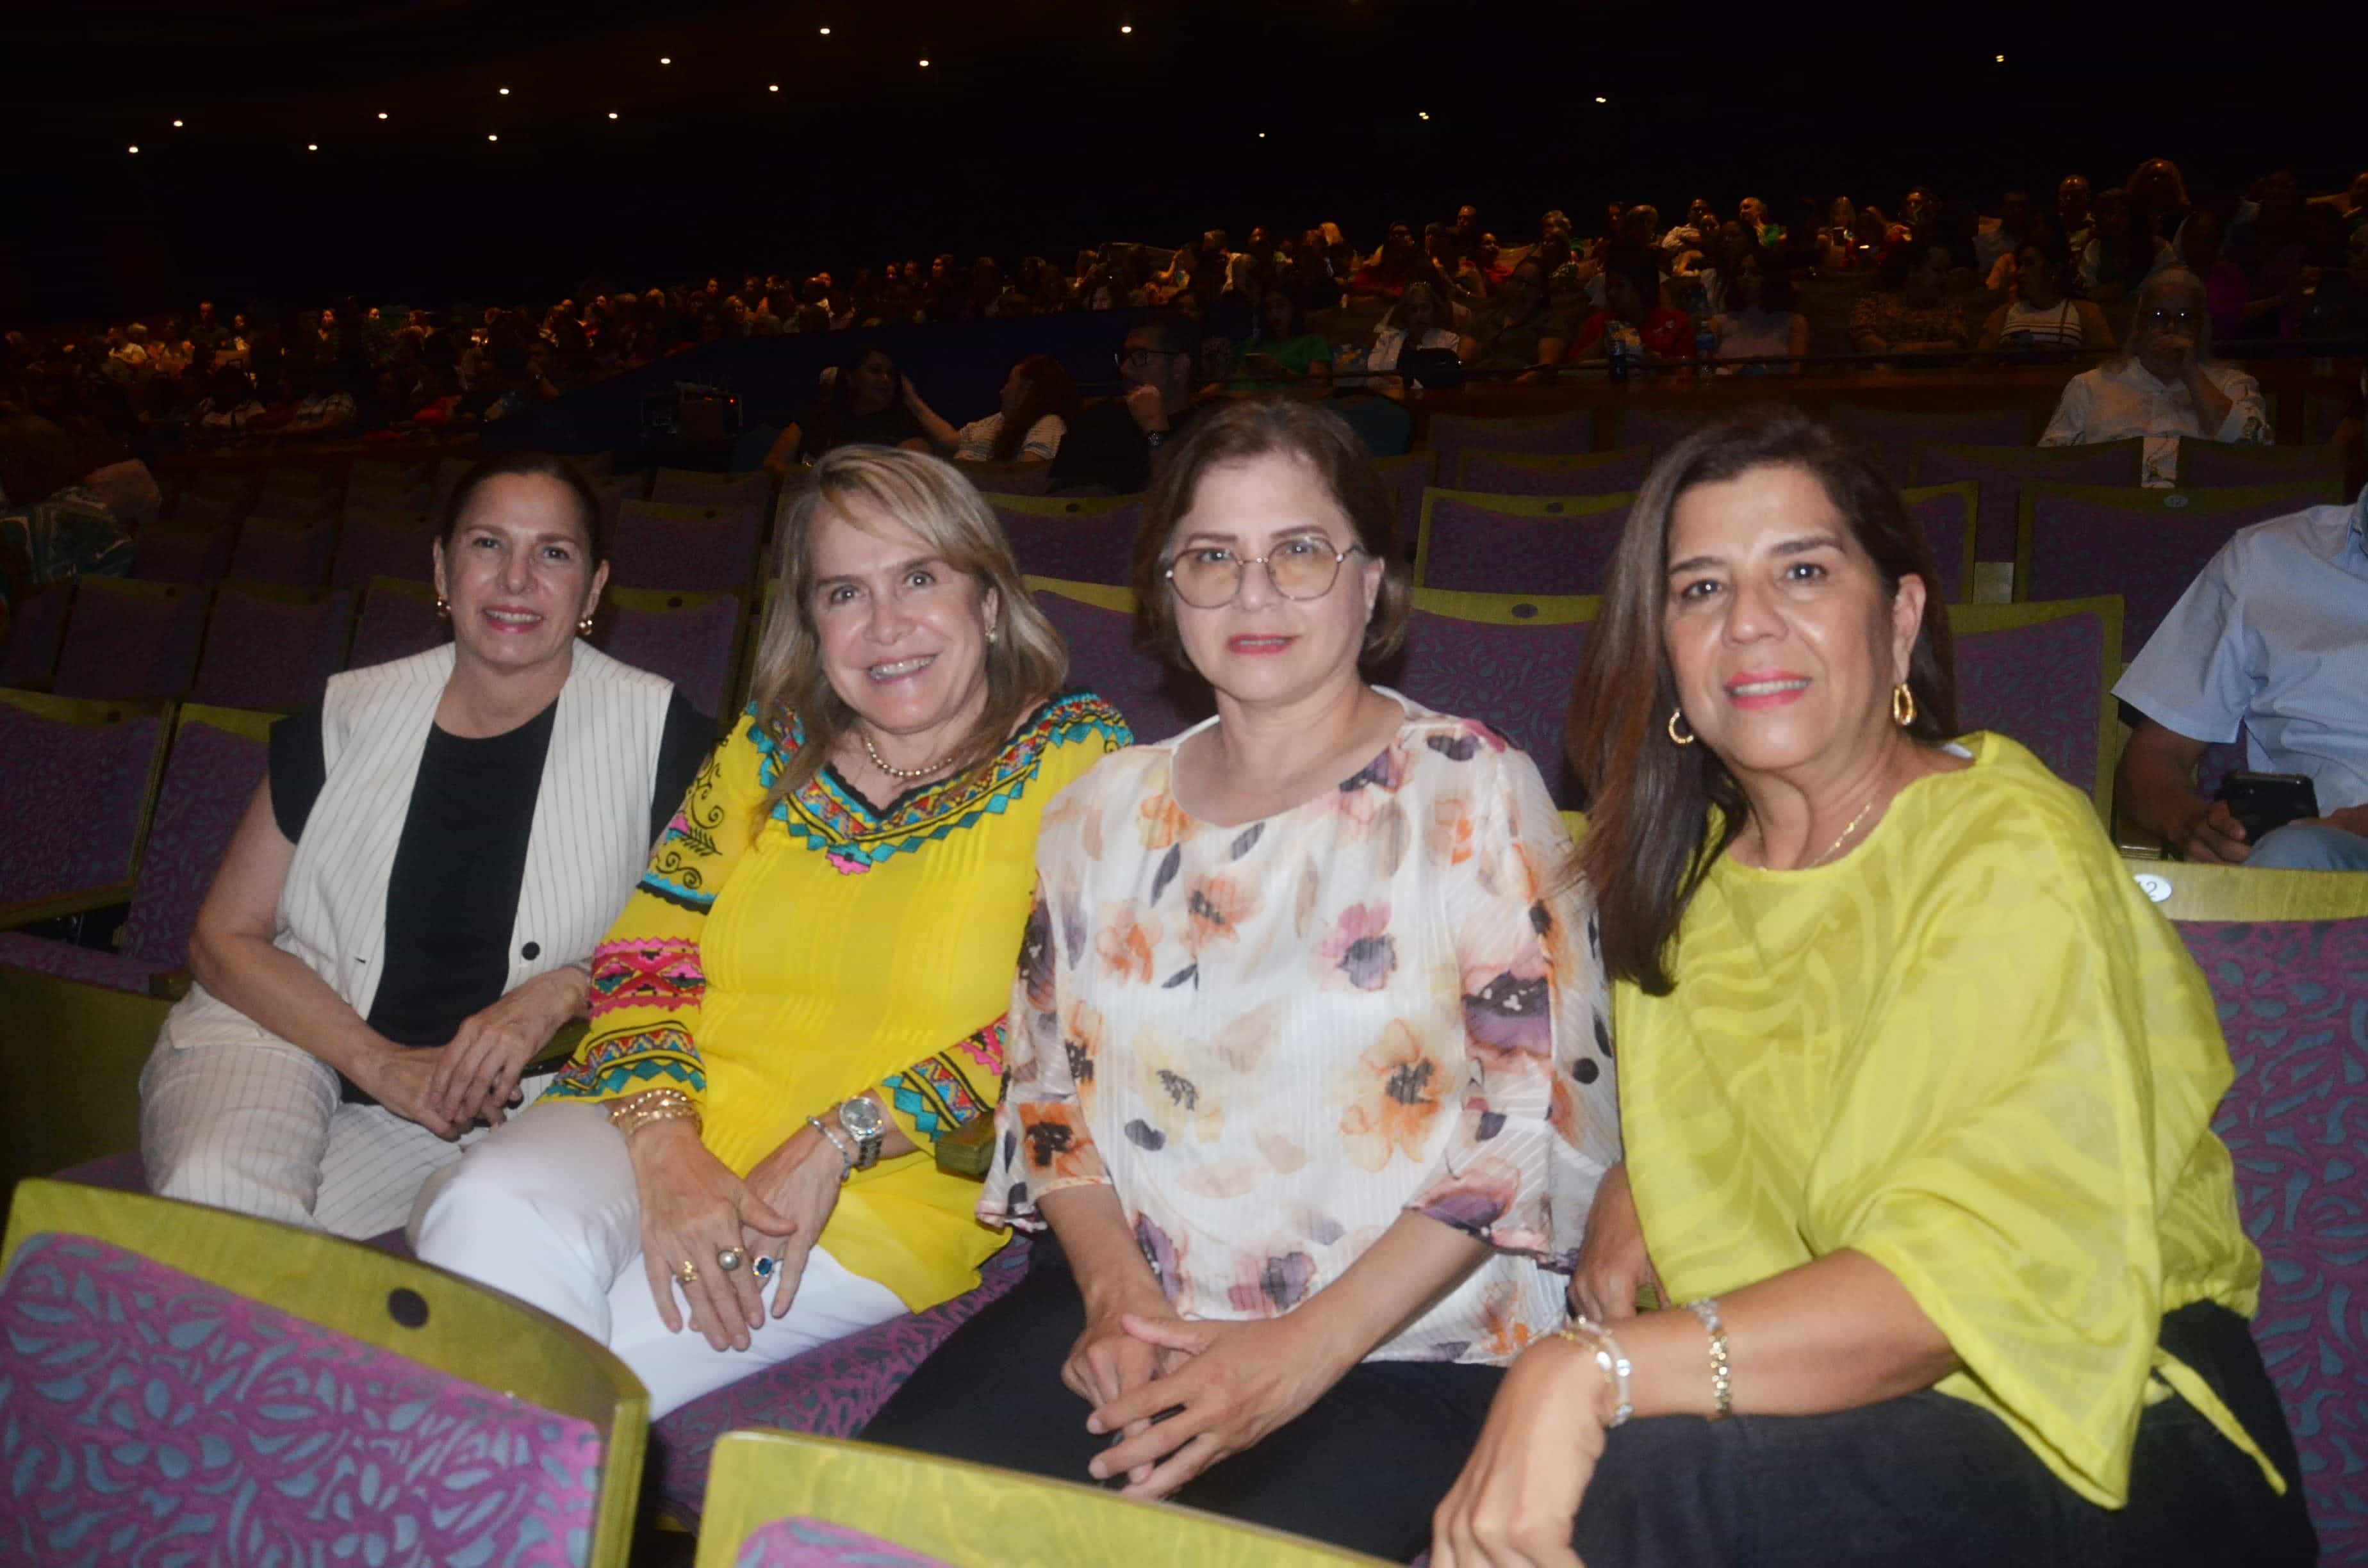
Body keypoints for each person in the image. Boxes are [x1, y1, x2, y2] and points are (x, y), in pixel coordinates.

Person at [1430, 407, 2312, 1568]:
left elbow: (1963, 1273)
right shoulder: (1683, 886)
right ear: (1667, 658)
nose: (1750, 620)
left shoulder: (2004, 841)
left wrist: (1588, 1368)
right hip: (1849, 1405)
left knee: (1638, 1494)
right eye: (1698, 589)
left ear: (1898, 622)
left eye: (1802, 569)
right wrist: (1649, 1172)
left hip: (2108, 1408)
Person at [860, 399, 1618, 1561]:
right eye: (1212, 557)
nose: (1253, 593)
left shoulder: (1471, 790)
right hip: (1134, 1322)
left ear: (1370, 584)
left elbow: (1531, 1128)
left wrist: (1301, 1351)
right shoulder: (1096, 810)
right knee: (861, 1528)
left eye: (1299, 552)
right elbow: (1047, 1094)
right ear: (1167, 593)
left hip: (1407, 1347)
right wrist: (1114, 1296)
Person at [414, 447, 1131, 1417]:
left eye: (920, 577)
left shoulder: (1083, 761)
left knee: (566, 1385)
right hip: (656, 1114)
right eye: (844, 593)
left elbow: (1076, 1024)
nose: (886, 626)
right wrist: (666, 1144)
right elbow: (644, 952)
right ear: (812, 620)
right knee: (484, 1215)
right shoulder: (769, 744)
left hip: (877, 1191)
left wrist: (843, 1135)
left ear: (990, 601)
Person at [138, 452, 712, 1239]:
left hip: (479, 1103)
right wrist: (376, 1063)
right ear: (442, 570)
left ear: (595, 587)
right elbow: (221, 938)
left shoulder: (666, 738)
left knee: (279, 1265)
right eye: (487, 545)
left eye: (553, 552)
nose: (516, 580)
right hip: (278, 1038)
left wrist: (567, 987)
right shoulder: (344, 715)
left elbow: (712, 946)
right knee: (222, 1196)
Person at [2112, 480, 2368, 871]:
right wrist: (2189, 824)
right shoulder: (2265, 559)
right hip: (2324, 860)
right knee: (2293, 853)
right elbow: (2157, 755)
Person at [2041, 267, 2269, 486]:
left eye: (2184, 318)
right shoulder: (2090, 386)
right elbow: (2049, 464)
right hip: (2112, 512)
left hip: (2204, 513)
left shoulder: (2233, 384)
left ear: (2201, 327)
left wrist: (2191, 374)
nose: (2171, 328)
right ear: (2140, 324)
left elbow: (2259, 451)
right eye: (2158, 316)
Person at [1049, 313, 1208, 495]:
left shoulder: (1205, 432)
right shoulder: (1098, 419)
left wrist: (1154, 428)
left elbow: (1174, 498)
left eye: (1141, 356)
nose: (1125, 368)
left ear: (1179, 367)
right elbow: (1058, 497)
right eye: (1126, 356)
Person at [761, 343, 932, 478]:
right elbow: (772, 464)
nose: (885, 380)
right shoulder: (817, 416)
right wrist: (800, 475)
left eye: (891, 374)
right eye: (875, 371)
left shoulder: (905, 424)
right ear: (851, 378)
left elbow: (912, 471)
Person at [901, 354, 1079, 469]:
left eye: (1009, 382)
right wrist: (911, 398)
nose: (1002, 391)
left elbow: (1027, 476)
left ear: (1027, 389)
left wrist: (970, 472)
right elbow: (949, 439)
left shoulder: (1048, 423)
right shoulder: (997, 420)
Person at [1975, 236, 2114, 355]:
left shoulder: (2087, 313)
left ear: (2054, 270)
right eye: (2020, 265)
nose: (2020, 273)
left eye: (2030, 264)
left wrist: (2062, 356)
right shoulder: (2002, 315)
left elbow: (2106, 363)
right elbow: (1979, 366)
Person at [1849, 244, 1973, 357]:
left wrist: (1908, 351)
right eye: (1937, 271)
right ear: (1913, 271)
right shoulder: (1874, 302)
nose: (1944, 278)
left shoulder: (1949, 306)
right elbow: (1862, 336)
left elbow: (1958, 343)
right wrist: (1892, 353)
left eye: (1947, 272)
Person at [1700, 244, 1808, 373]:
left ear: (1772, 277)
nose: (1746, 278)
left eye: (1755, 272)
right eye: (1740, 273)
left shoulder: (1794, 323)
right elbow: (1706, 370)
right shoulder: (1718, 324)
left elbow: (1795, 373)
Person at [1468, 257, 1569, 381]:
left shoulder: (1550, 322)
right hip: (1476, 386)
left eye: (1530, 285)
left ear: (1541, 292)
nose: (1522, 289)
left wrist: (1509, 389)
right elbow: (1462, 360)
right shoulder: (1486, 318)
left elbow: (1545, 368)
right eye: (1519, 281)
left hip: (1520, 390)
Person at [1567, 269, 1692, 367]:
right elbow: (1571, 369)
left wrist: (1659, 365)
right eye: (1609, 287)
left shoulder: (1676, 322)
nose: (1611, 293)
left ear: (1643, 289)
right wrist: (1602, 342)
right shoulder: (1599, 322)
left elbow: (1688, 372)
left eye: (1620, 286)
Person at [1365, 281, 1473, 388]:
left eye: (1425, 308)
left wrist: (1409, 384)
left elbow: (1451, 382)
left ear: (1434, 310)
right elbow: (1371, 379)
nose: (1419, 314)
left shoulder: (1450, 341)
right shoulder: (1387, 339)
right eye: (1413, 310)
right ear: (1406, 314)